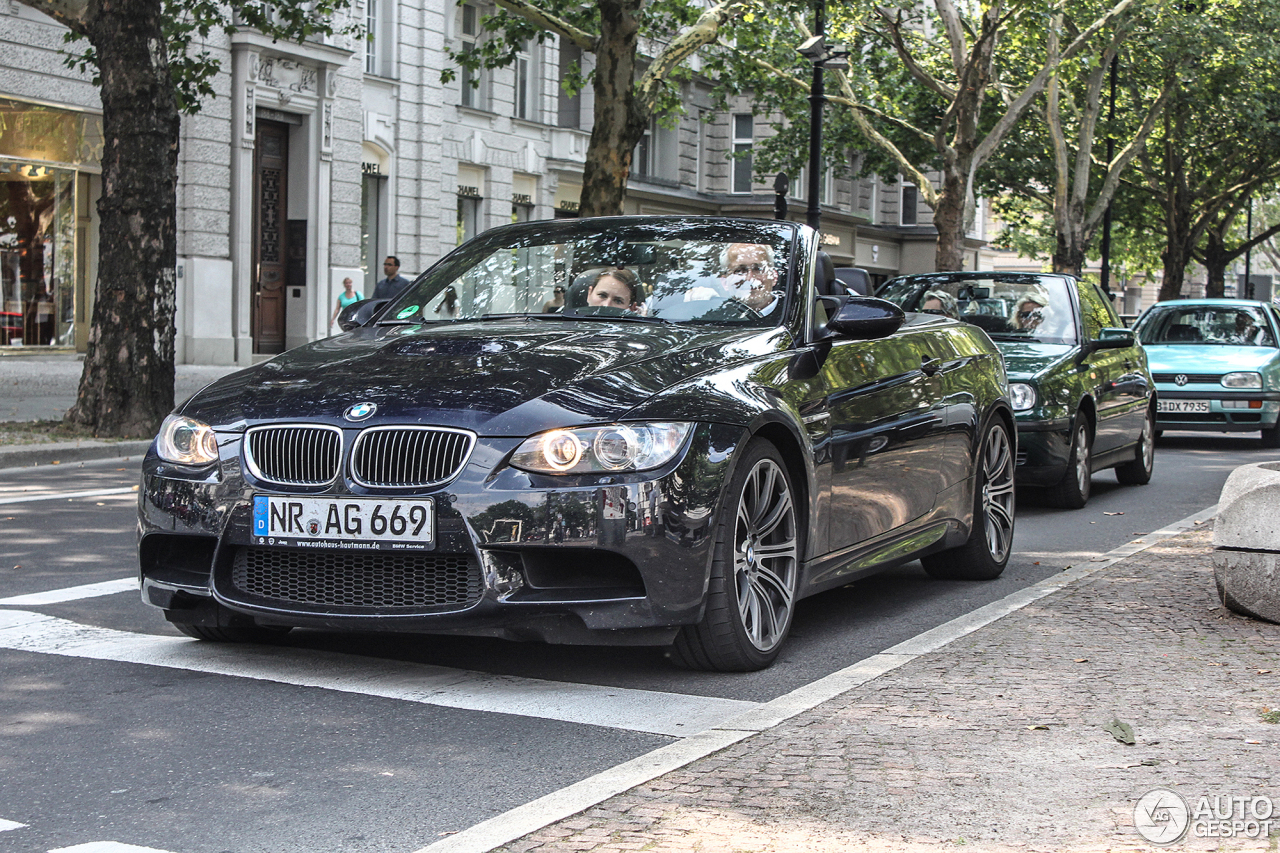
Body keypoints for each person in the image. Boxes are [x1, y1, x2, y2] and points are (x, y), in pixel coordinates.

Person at [721, 242, 780, 313]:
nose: (749, 278)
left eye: (758, 269)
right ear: (724, 282)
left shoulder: (794, 313)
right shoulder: (712, 317)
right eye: (739, 271)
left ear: (774, 277)